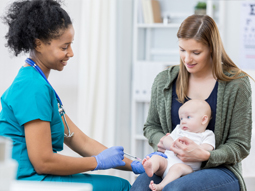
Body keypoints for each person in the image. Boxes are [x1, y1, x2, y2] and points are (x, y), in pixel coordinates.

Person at [0, 0, 148, 190]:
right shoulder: (32, 87)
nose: (71, 53)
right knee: (120, 186)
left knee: (120, 183)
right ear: (38, 44)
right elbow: (43, 162)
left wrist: (136, 165)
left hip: (39, 176)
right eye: (64, 47)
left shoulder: (36, 81)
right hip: (29, 181)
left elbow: (81, 141)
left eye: (71, 45)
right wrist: (97, 162)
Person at [131, 14, 252, 191]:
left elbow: (240, 145)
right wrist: (168, 143)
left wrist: (204, 155)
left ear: (212, 48)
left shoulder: (236, 84)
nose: (187, 59)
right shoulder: (164, 81)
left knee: (176, 189)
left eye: (196, 52)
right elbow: (151, 127)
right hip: (170, 161)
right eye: (182, 50)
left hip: (219, 169)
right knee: (139, 188)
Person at [142, 99, 215, 191]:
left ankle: (161, 186)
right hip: (167, 163)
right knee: (157, 157)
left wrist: (196, 149)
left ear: (203, 119)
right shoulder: (178, 130)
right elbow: (167, 139)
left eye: (188, 117)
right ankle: (151, 167)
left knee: (178, 168)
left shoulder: (207, 134)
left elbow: (208, 148)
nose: (183, 121)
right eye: (181, 118)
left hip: (186, 169)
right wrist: (171, 144)